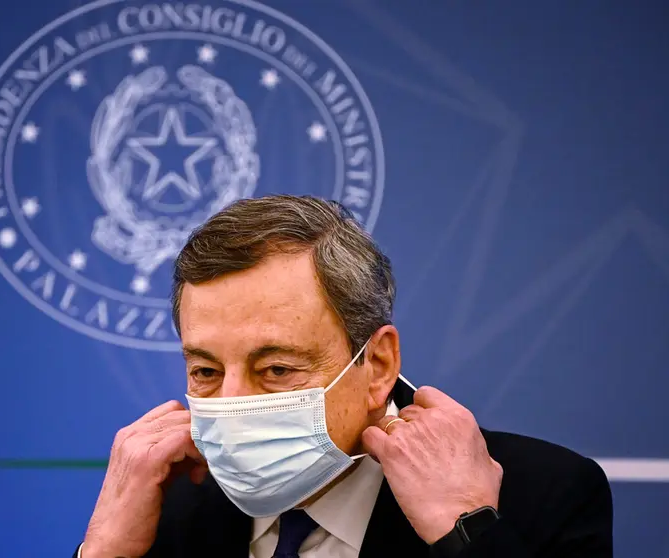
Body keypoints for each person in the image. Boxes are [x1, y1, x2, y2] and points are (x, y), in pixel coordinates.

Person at [74, 195, 613, 558]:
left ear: (376, 365)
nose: (231, 404)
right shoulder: (167, 509)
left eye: (276, 368)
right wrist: (103, 551)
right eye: (206, 370)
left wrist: (465, 532)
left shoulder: (539, 495)